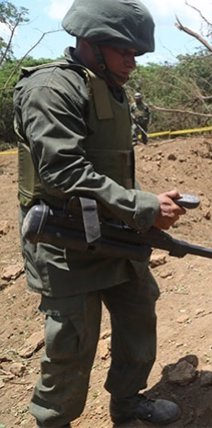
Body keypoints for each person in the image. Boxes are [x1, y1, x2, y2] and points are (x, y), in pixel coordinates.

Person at [13, 0, 186, 426]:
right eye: (124, 51)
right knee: (71, 343)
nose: (132, 61)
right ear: (90, 43)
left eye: (135, 53)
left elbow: (108, 168)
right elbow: (62, 169)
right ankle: (53, 421)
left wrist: (144, 201)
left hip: (112, 234)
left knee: (138, 313)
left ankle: (128, 403)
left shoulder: (108, 86)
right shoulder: (51, 89)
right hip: (63, 241)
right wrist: (142, 207)